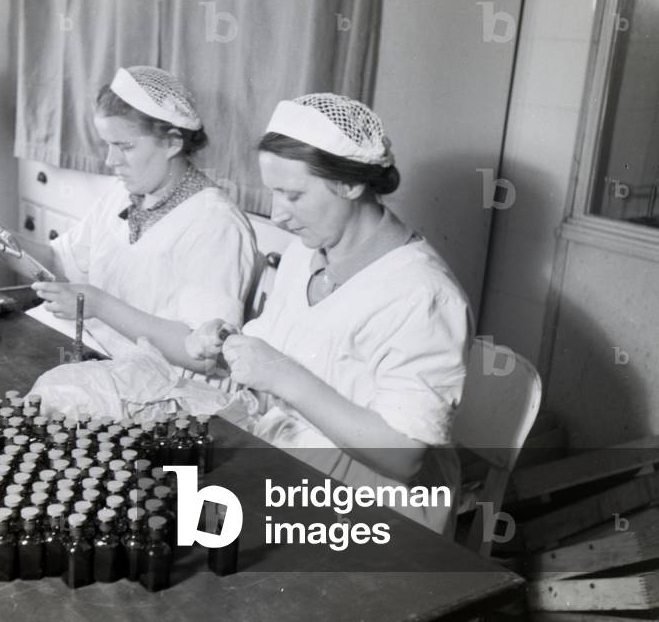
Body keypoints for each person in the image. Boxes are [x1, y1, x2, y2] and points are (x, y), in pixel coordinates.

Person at [185, 93, 472, 532]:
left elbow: (404, 456)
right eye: (273, 192)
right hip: (295, 462)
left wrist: (281, 374)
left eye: (293, 195)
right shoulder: (307, 252)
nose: (277, 215)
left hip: (377, 506)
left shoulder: (423, 294)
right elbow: (286, 356)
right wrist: (229, 348)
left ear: (350, 185)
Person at [29, 66, 257, 372]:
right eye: (107, 145)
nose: (110, 160)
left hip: (157, 381)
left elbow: (204, 356)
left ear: (172, 142)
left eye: (125, 147)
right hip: (95, 357)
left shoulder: (216, 224)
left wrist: (98, 304)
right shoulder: (121, 195)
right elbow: (56, 262)